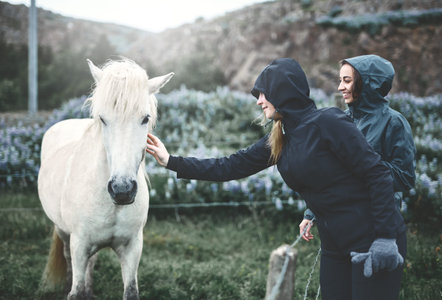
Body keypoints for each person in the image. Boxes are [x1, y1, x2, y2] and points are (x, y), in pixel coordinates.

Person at [147, 58, 406, 299]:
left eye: (263, 93)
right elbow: (229, 166)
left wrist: (385, 237)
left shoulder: (328, 122)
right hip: (334, 244)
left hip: (372, 238)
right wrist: (171, 161)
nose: (259, 101)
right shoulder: (281, 136)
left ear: (283, 92)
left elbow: (377, 173)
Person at [299, 55, 416, 247]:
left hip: (378, 225)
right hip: (341, 224)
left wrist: (363, 166)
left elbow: (405, 177)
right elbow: (329, 174)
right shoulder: (341, 121)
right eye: (340, 81)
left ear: (368, 83)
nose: (340, 87)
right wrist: (311, 214)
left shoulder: (393, 122)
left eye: (347, 81)